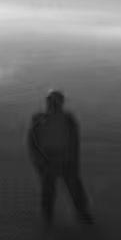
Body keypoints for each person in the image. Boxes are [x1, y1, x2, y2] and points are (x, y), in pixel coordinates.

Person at [27, 90, 93, 226]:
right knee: (48, 191)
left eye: (56, 103)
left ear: (61, 104)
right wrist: (39, 162)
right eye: (51, 103)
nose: (53, 105)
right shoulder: (39, 120)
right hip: (48, 161)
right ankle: (48, 217)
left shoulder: (69, 120)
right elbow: (32, 143)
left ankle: (82, 212)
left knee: (75, 189)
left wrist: (74, 161)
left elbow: (74, 142)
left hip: (66, 160)